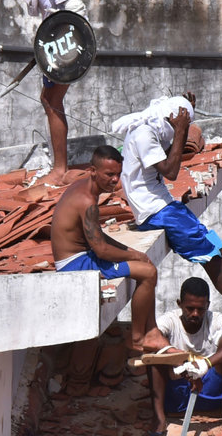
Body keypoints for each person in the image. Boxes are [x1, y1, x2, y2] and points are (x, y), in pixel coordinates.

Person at [112, 92, 222, 331]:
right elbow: (171, 171)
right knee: (209, 254)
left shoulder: (153, 131)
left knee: (216, 246)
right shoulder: (144, 134)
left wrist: (183, 123)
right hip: (155, 212)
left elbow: (171, 154)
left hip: (165, 206)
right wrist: (180, 131)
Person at [51, 145, 164, 352]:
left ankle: (152, 330)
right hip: (74, 264)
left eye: (118, 174)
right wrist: (133, 254)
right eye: (109, 174)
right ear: (93, 171)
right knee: (148, 273)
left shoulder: (84, 189)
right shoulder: (87, 202)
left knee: (142, 262)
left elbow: (98, 237)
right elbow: (102, 250)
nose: (115, 180)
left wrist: (133, 252)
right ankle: (138, 338)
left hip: (82, 255)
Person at [0, 0, 88, 186]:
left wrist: (63, 52)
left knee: (51, 100)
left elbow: (74, 9)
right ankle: (58, 165)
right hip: (55, 43)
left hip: (67, 45)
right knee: (48, 99)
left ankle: (60, 170)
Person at [147, 277, 222, 436]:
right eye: (189, 308)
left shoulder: (216, 320)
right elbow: (149, 340)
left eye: (200, 309)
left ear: (208, 305)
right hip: (178, 393)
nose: (195, 314)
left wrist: (205, 364)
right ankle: (159, 419)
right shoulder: (169, 320)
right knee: (154, 356)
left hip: (211, 391)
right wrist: (184, 360)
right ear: (179, 303)